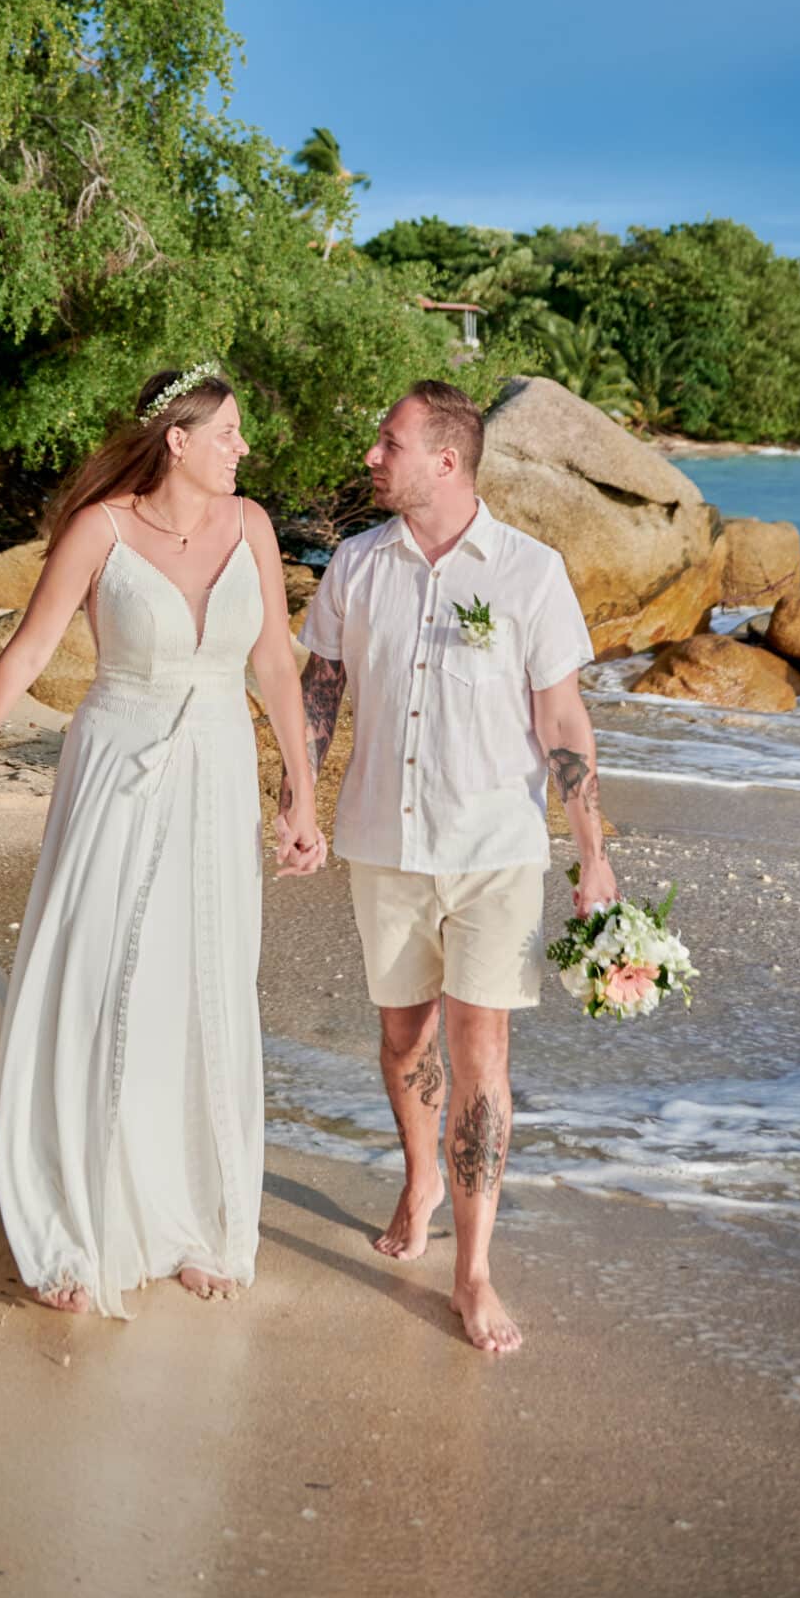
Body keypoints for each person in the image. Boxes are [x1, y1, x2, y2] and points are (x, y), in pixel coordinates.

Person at [0, 364, 326, 1316]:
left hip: (217, 771)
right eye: (229, 433)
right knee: (97, 973)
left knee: (202, 980)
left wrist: (299, 795)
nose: (242, 449)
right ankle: (79, 1217)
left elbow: (273, 669)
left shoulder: (251, 524)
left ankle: (193, 1222)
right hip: (116, 764)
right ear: (178, 438)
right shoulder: (102, 528)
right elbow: (31, 650)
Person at [292, 380, 615, 1355]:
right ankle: (420, 1174)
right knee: (402, 1045)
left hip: (496, 857)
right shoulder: (354, 564)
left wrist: (593, 850)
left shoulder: (528, 571)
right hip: (383, 848)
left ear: (446, 459)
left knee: (482, 1057)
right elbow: (320, 689)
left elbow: (561, 719)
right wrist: (295, 799)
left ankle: (474, 1271)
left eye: (388, 443)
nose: (371, 458)